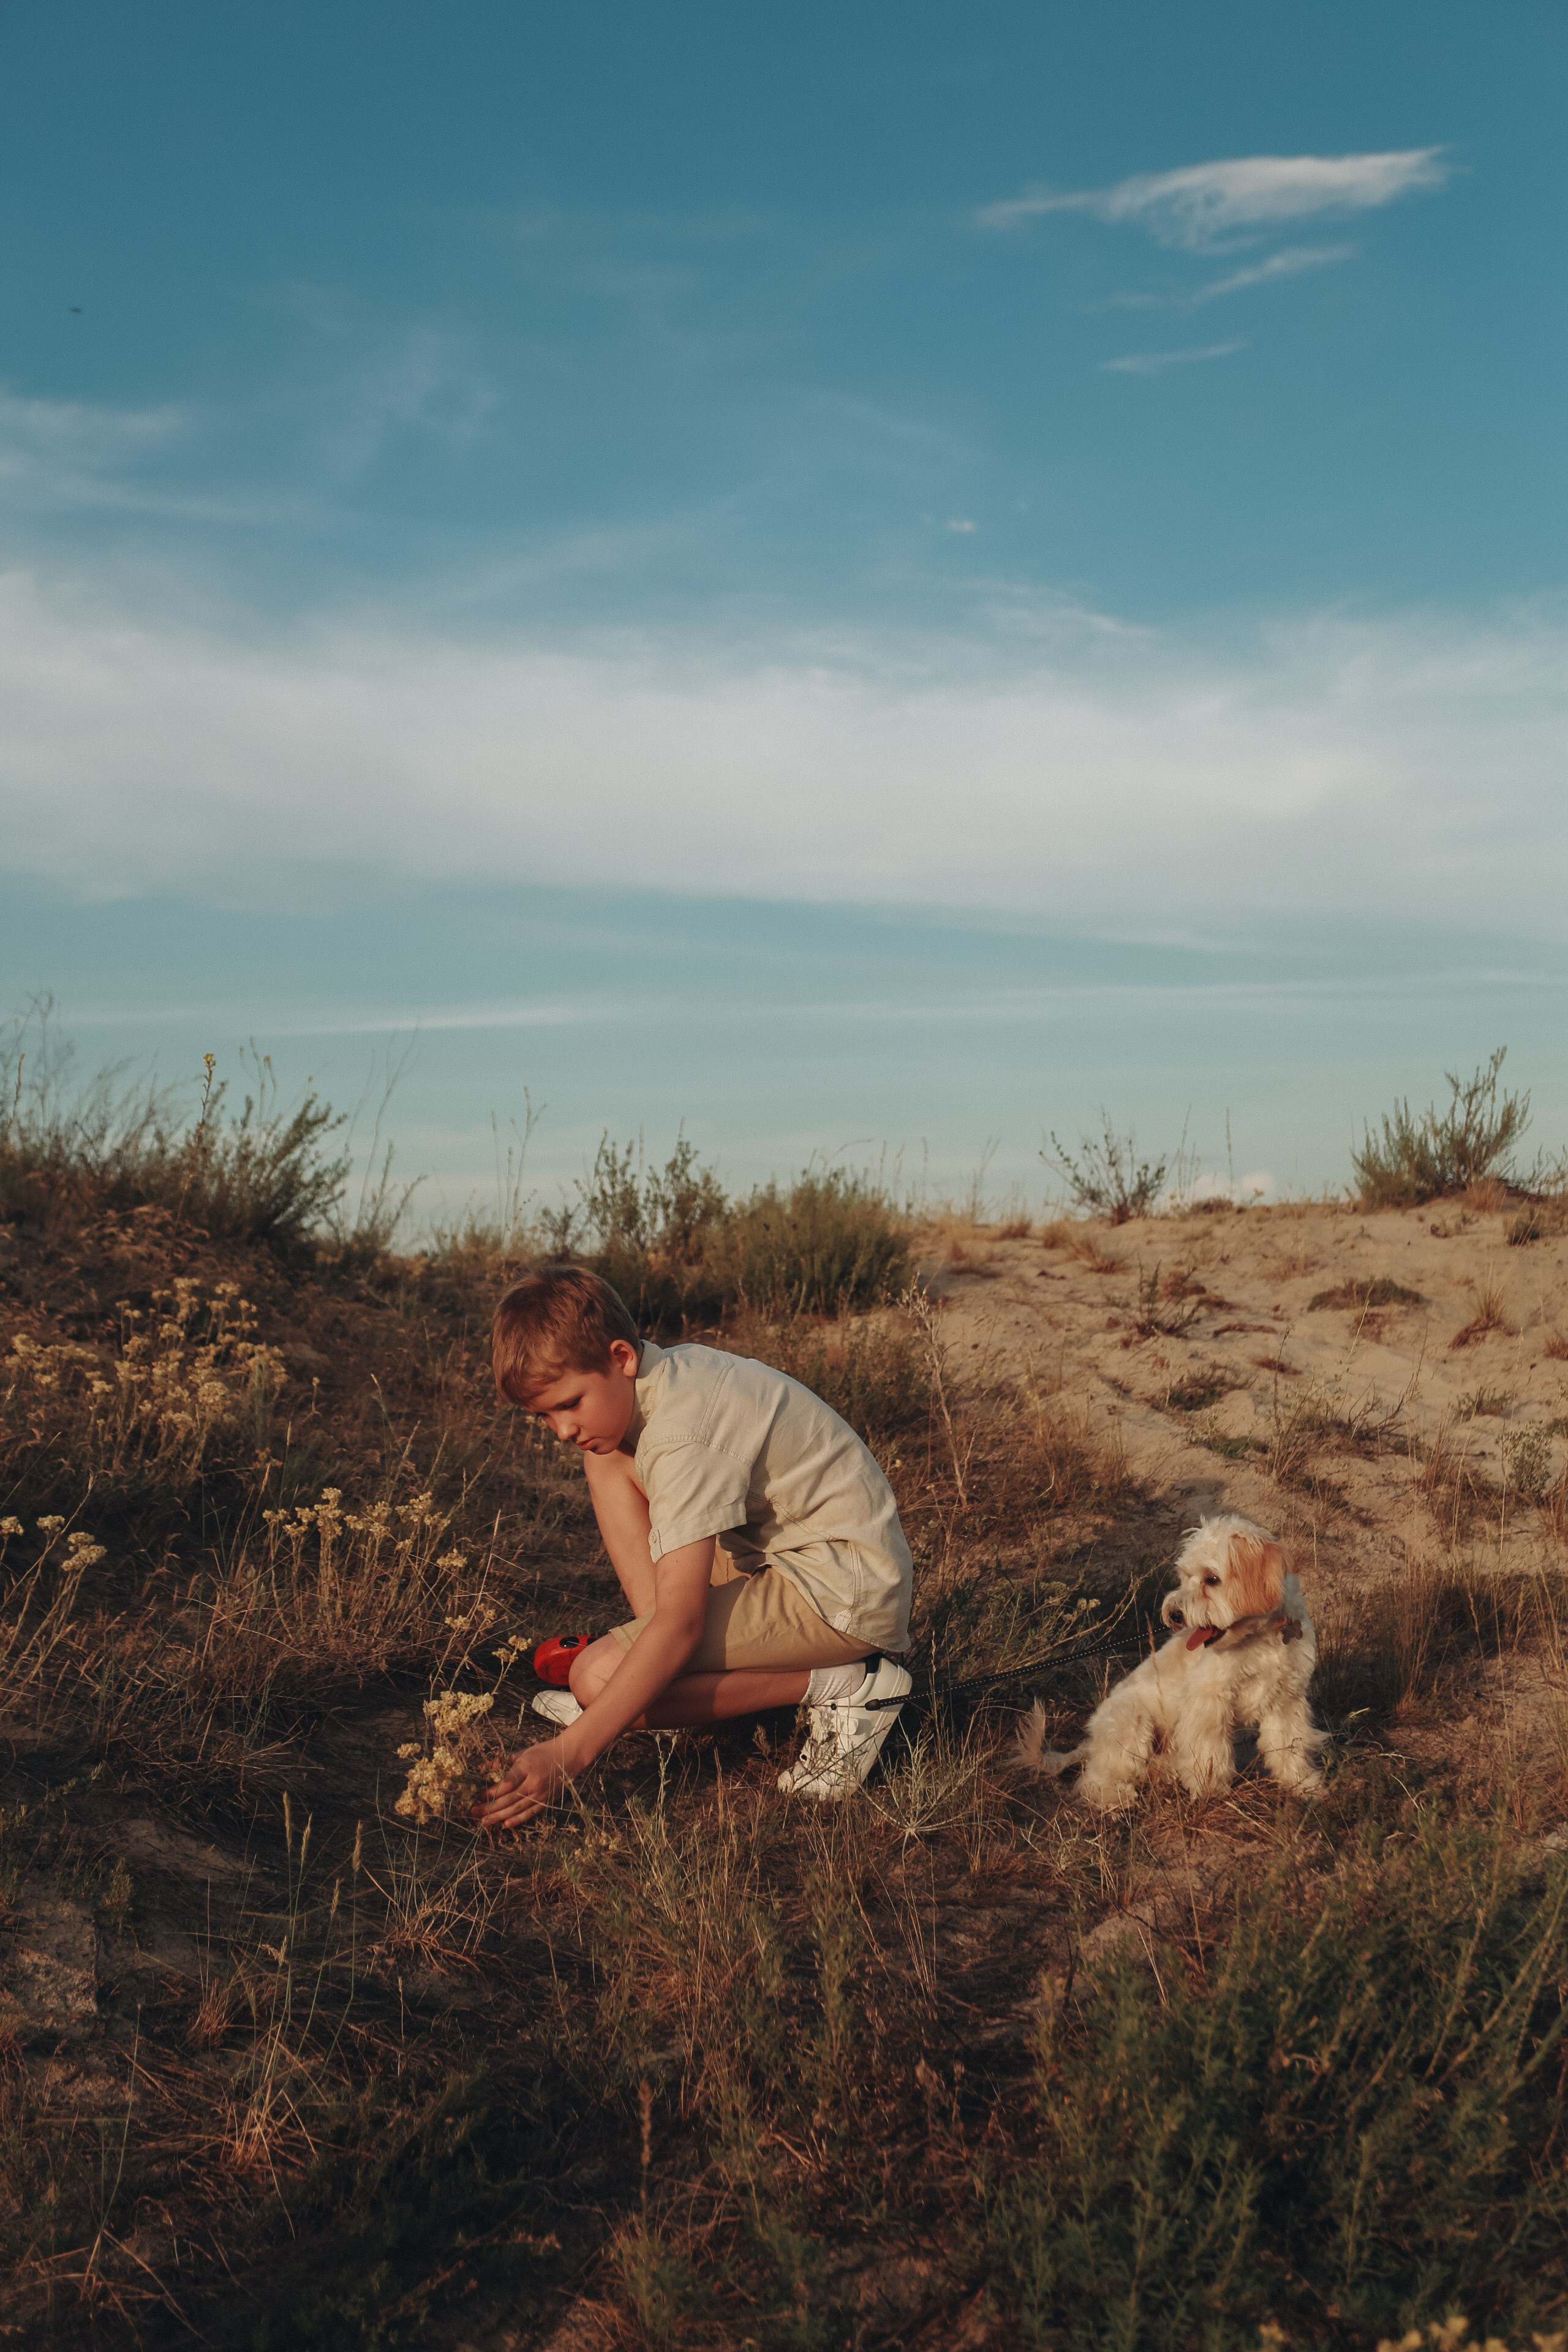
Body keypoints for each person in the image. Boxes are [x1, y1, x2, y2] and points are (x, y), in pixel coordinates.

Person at [473, 1265, 913, 1829]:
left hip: (843, 1593)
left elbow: (681, 1625)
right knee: (607, 1460)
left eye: (570, 1403)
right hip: (795, 1557)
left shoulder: (681, 1433)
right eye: (544, 1416)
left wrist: (569, 1753)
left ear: (620, 1357)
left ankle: (851, 1685)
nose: (561, 1430)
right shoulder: (666, 1377)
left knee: (595, 1679)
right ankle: (651, 1688)